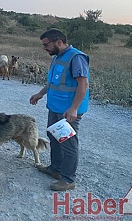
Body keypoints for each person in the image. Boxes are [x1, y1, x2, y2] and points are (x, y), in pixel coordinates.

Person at [30, 28, 89, 191]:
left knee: (68, 143)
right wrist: (40, 94)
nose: (45, 48)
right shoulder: (57, 57)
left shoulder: (76, 57)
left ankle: (68, 179)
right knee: (54, 136)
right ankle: (55, 169)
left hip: (68, 111)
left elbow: (83, 84)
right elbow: (53, 81)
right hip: (55, 107)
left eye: (46, 44)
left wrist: (74, 108)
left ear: (59, 42)